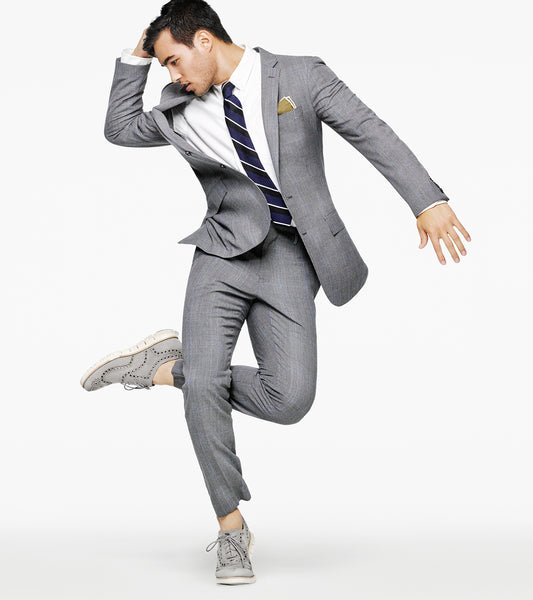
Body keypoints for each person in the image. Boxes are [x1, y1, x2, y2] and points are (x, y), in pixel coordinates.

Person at [80, 0, 471, 585]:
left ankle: (164, 368)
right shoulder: (176, 107)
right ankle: (231, 529)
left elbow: (370, 131)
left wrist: (427, 200)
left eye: (173, 60)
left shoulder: (300, 75)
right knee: (206, 384)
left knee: (290, 399)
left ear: (204, 39)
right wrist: (140, 52)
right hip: (221, 254)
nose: (173, 75)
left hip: (290, 256)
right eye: (163, 67)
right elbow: (117, 129)